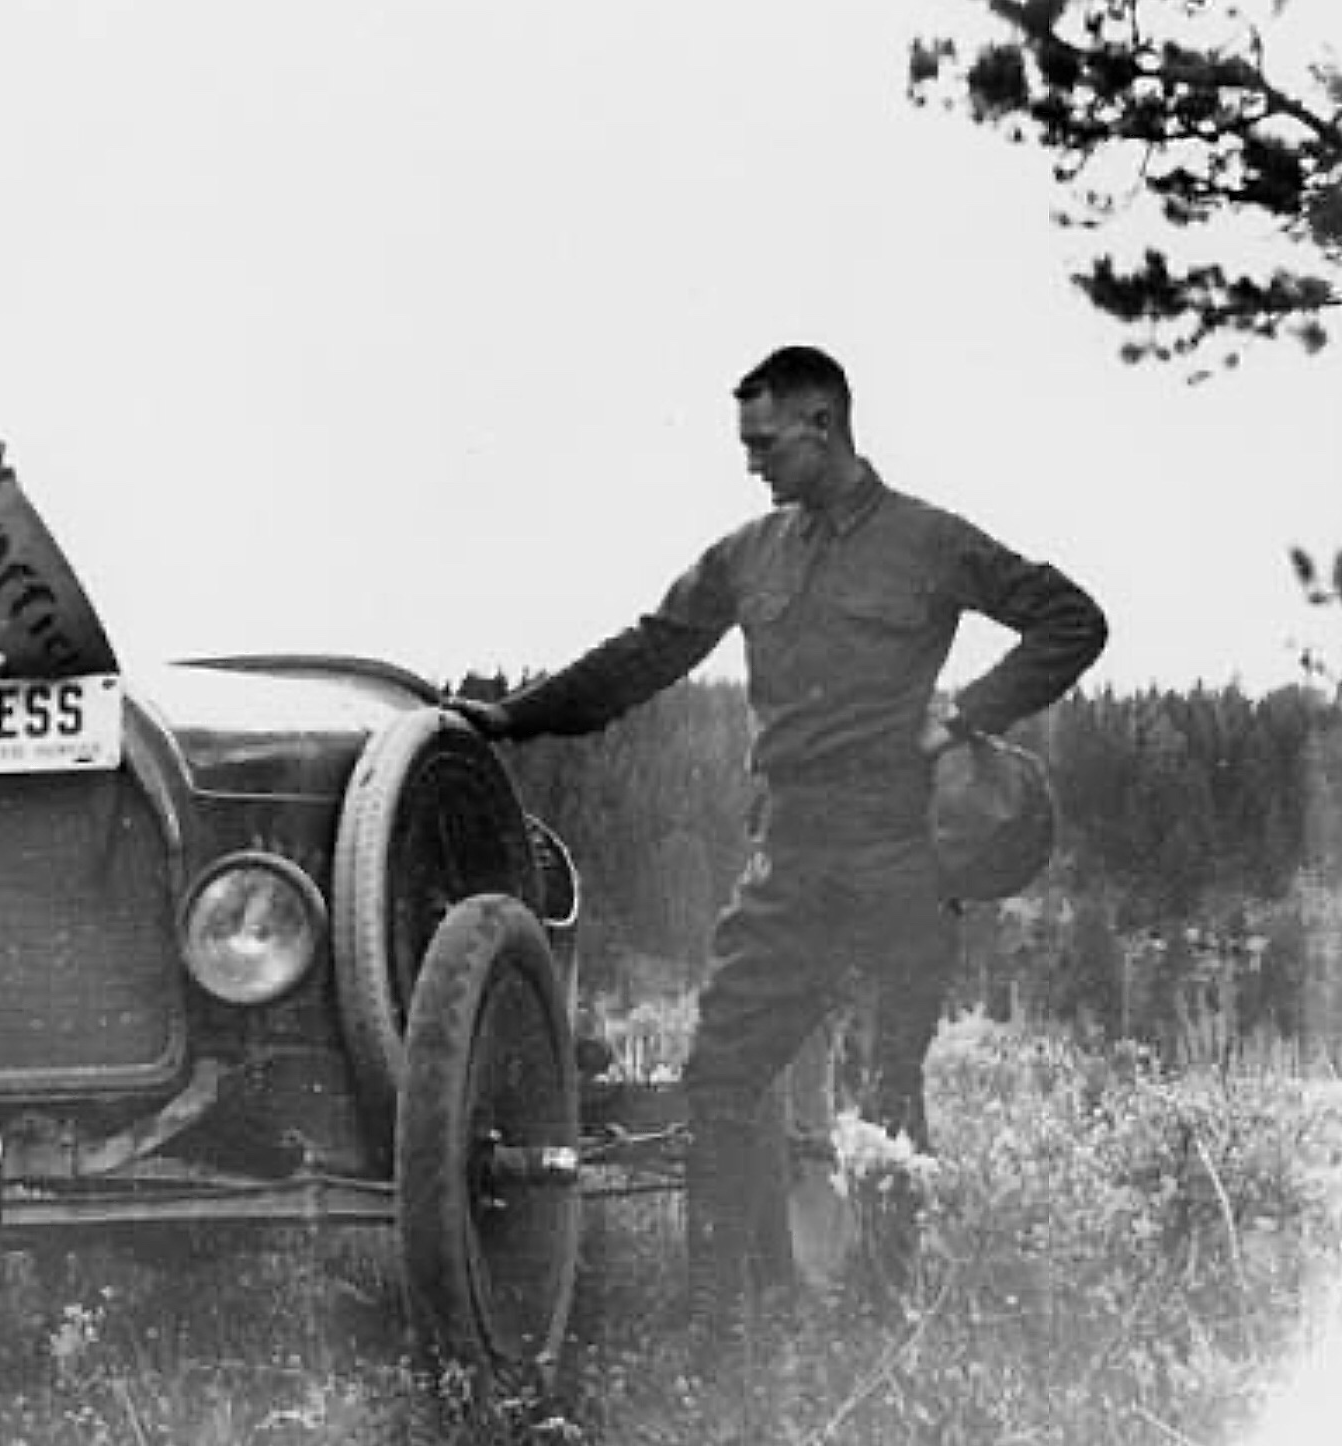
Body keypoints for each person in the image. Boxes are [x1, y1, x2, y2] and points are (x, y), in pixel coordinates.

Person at [447, 345, 1106, 1342]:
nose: (751, 463)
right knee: (719, 1079)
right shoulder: (747, 555)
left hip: (900, 857)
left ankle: (883, 1326)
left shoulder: (928, 541)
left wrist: (968, 711)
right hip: (790, 857)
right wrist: (514, 717)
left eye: (764, 444)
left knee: (889, 1089)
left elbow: (1071, 620)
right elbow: (645, 654)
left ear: (821, 425)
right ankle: (720, 1330)